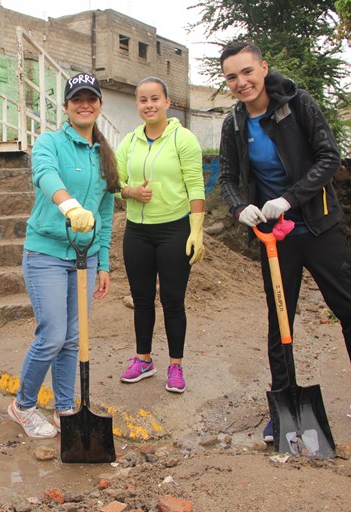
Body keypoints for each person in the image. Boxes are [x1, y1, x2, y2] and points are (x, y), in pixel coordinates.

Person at [218, 41, 351, 440]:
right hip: (274, 238)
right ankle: (285, 401)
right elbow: (226, 178)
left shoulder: (296, 103)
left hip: (320, 226)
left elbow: (329, 158)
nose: (242, 82)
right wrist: (240, 208)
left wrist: (289, 197)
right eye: (232, 77)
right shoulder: (234, 123)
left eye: (247, 72)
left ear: (263, 67)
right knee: (281, 323)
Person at [7, 72, 119, 438]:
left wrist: (103, 262)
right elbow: (44, 174)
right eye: (77, 99)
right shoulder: (50, 142)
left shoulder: (105, 154)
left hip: (84, 258)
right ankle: (22, 405)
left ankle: (65, 406)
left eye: (91, 98)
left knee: (74, 337)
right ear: (67, 106)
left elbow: (104, 214)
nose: (84, 105)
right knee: (52, 335)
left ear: (99, 104)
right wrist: (68, 205)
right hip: (46, 253)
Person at [115, 77, 205, 393]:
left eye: (155, 99)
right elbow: (116, 182)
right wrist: (129, 192)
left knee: (172, 300)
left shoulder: (184, 139)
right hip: (137, 233)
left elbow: (195, 184)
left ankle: (176, 366)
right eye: (143, 100)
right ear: (137, 105)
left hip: (174, 230)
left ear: (167, 102)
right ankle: (144, 360)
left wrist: (196, 229)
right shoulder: (129, 142)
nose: (149, 105)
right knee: (142, 300)